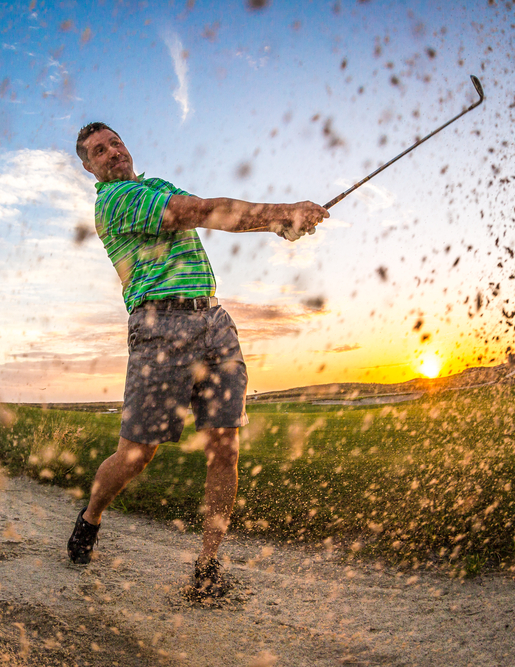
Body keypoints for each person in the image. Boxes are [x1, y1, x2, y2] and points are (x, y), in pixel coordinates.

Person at [67, 122, 328, 596]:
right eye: (98, 151)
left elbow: (210, 215)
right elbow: (203, 211)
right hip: (158, 331)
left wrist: (276, 225)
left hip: (213, 320)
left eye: (115, 142)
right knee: (135, 455)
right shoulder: (117, 200)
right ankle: (91, 517)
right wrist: (283, 212)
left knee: (225, 446)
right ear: (89, 168)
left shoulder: (156, 186)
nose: (112, 153)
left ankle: (208, 567)